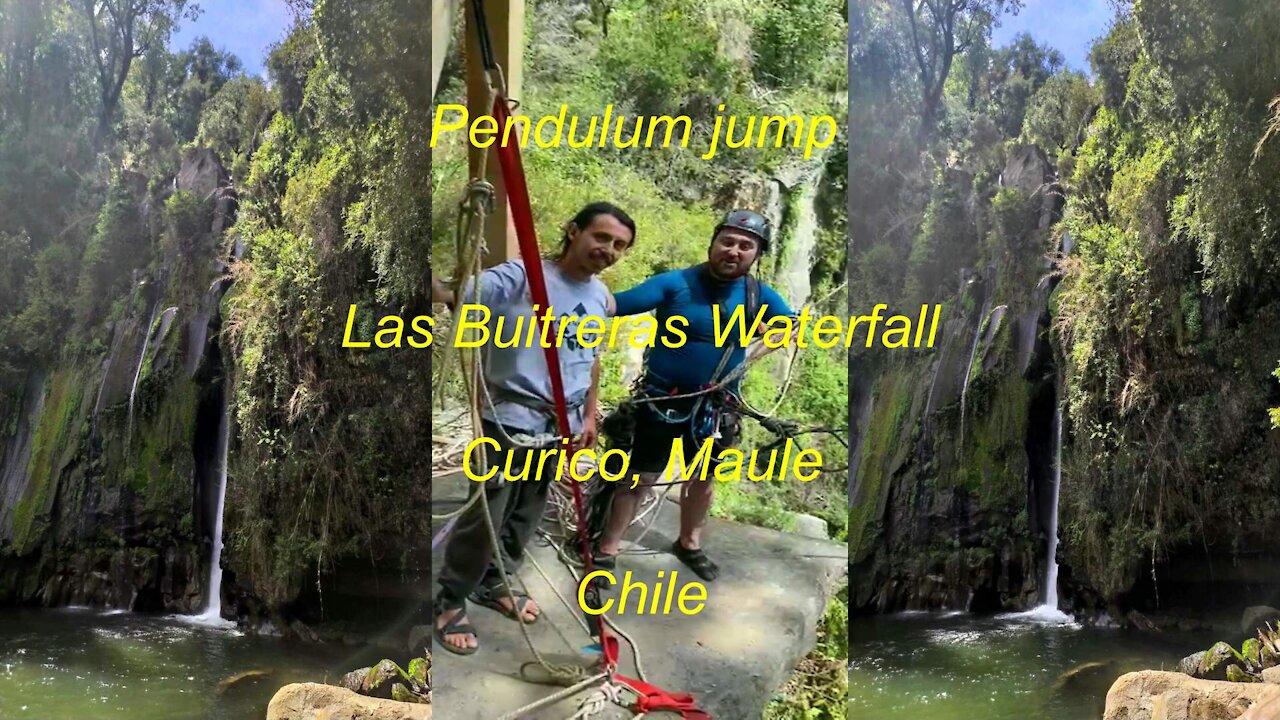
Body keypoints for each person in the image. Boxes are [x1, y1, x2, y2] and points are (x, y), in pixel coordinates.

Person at [432, 201, 636, 655]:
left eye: (619, 245)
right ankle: (449, 601)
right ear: (573, 230)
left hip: (560, 420)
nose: (608, 249)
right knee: (486, 514)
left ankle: (495, 580)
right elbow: (452, 292)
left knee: (527, 510)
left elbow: (592, 357)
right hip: (508, 418)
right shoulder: (521, 277)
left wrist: (587, 415)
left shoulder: (602, 297)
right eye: (601, 237)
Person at [595, 209, 795, 582]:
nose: (734, 251)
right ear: (713, 243)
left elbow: (789, 325)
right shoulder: (676, 284)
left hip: (715, 409)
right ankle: (607, 546)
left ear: (756, 255)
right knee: (639, 477)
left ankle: (689, 543)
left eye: (745, 245)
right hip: (660, 402)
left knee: (703, 479)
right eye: (728, 241)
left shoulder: (758, 295)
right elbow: (614, 305)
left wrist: (765, 341)